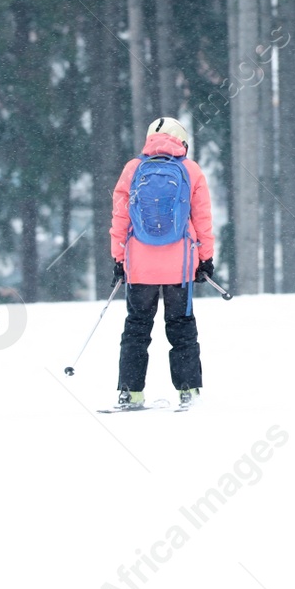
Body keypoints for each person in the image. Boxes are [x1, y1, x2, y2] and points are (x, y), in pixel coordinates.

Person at [110, 117, 216, 411]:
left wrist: (119, 259)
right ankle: (189, 391)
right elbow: (203, 220)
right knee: (181, 326)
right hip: (179, 266)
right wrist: (205, 259)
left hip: (140, 266)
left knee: (136, 326)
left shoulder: (133, 169)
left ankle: (130, 393)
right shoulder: (191, 170)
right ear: (182, 139)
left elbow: (120, 219)